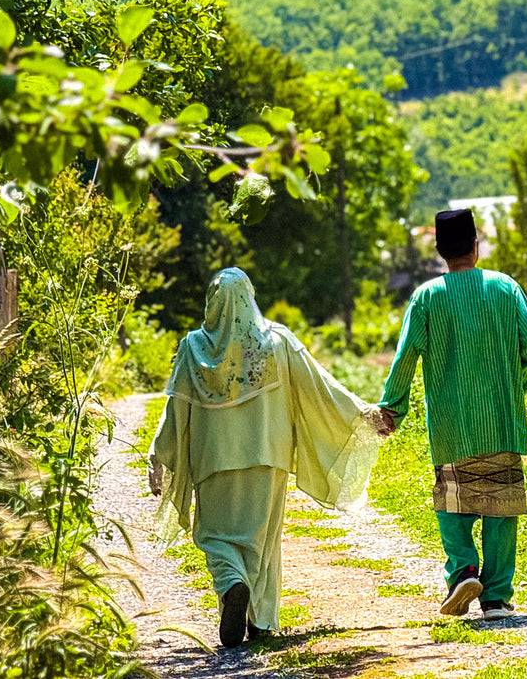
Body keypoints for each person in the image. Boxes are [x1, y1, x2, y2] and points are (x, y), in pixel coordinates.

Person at [147, 267, 382, 648]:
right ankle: (261, 620)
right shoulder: (278, 341)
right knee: (263, 539)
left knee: (215, 535)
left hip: (214, 458)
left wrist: (160, 452)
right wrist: (362, 413)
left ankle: (231, 585)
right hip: (267, 456)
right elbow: (320, 386)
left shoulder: (192, 348)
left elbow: (175, 409)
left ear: (213, 302)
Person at [376, 208, 527, 621]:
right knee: (501, 504)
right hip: (501, 419)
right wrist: (513, 388)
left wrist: (393, 405)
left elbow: (406, 354)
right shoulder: (505, 287)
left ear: (440, 252)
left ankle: (464, 570)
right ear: (475, 246)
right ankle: (498, 596)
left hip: (450, 424)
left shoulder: (427, 297)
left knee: (452, 500)